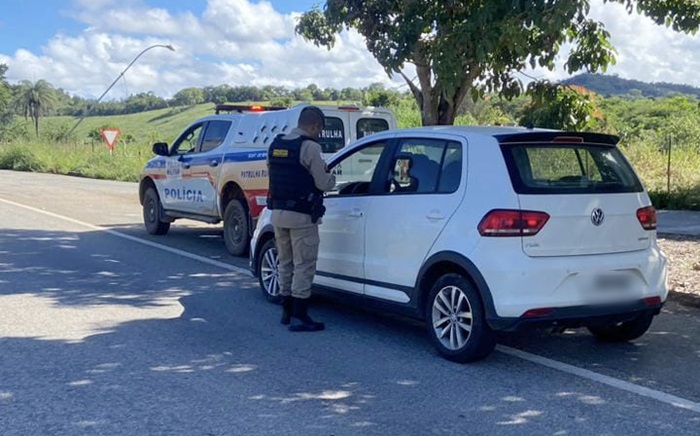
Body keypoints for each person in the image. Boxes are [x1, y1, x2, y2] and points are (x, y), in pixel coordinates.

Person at [266, 106, 336, 332]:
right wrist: (332, 177)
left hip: (278, 214)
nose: (319, 134)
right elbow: (323, 183)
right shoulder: (310, 147)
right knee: (304, 265)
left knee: (285, 263)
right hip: (301, 216)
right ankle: (300, 316)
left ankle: (286, 312)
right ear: (315, 126)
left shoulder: (276, 145)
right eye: (320, 130)